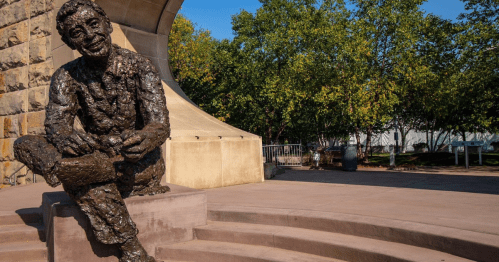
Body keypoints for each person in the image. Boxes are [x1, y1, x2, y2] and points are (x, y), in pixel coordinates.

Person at [14, 1, 169, 261]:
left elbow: (160, 124)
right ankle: (68, 169)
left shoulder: (141, 66)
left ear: (107, 25)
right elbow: (57, 125)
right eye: (77, 33)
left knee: (84, 176)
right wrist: (66, 138)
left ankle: (131, 248)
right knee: (23, 143)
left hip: (134, 163)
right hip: (93, 156)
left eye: (93, 24)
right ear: (71, 43)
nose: (89, 35)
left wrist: (145, 138)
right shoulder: (66, 76)